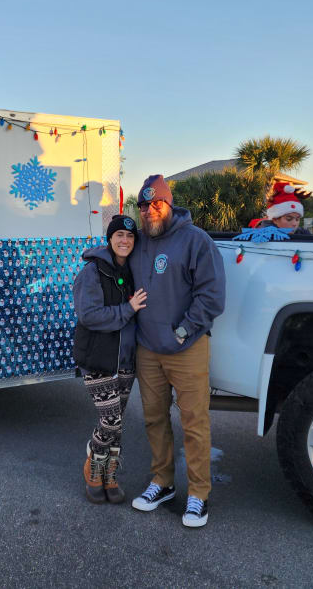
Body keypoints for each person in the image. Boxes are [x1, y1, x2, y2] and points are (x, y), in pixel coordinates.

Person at [128, 175, 226, 528]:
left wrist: (183, 331)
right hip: (148, 349)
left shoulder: (196, 240)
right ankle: (163, 482)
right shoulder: (137, 242)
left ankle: (199, 493)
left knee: (194, 422)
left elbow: (212, 296)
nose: (149, 211)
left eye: (156, 204)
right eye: (143, 205)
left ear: (169, 204)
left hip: (187, 347)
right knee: (154, 418)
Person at [73, 214, 147, 504]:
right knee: (110, 420)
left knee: (117, 422)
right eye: (119, 235)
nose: (125, 240)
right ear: (110, 239)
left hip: (126, 360)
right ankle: (94, 464)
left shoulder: (134, 270)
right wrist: (127, 309)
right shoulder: (92, 271)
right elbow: (89, 315)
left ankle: (110, 474)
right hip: (99, 358)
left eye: (130, 236)